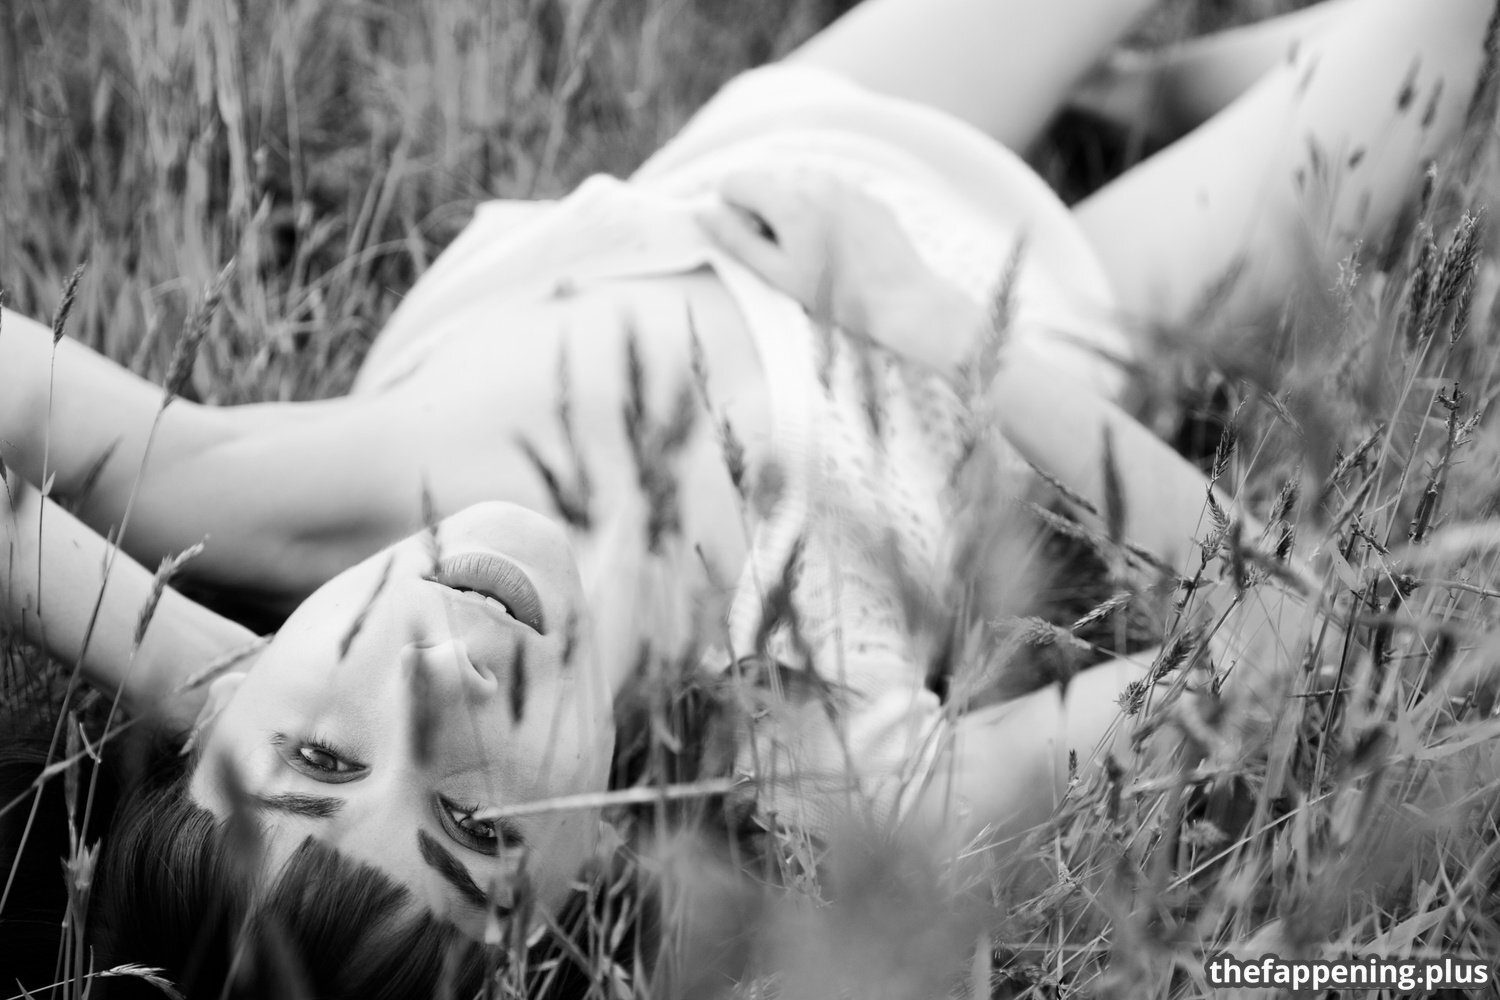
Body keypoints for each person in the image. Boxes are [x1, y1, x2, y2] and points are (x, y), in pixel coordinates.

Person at [0, 0, 1491, 994]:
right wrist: (940, 329)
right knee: (1445, 26)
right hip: (1057, 307)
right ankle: (1169, 97)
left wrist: (187, 660)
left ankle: (1157, 87)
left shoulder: (297, 497)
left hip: (813, 127)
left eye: (325, 757)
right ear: (581, 890)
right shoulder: (821, 776)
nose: (444, 673)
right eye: (475, 823)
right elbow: (1305, 642)